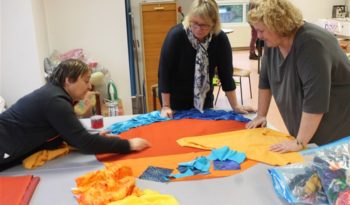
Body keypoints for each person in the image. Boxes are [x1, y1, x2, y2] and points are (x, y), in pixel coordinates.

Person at [0, 59, 150, 171]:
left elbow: (68, 129)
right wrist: (128, 145)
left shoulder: (55, 94)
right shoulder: (55, 101)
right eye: (85, 81)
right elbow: (84, 142)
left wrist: (95, 137)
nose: (89, 86)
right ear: (68, 80)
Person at [246, 0, 350, 153]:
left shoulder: (312, 45)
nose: (259, 36)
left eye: (261, 31)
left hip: (338, 133)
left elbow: (316, 100)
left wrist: (300, 142)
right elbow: (265, 80)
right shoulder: (274, 42)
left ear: (278, 25)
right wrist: (261, 115)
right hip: (309, 129)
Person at [158, 0, 255, 118]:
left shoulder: (220, 39)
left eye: (204, 25)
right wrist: (166, 106)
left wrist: (236, 106)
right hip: (175, 102)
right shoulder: (176, 36)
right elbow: (164, 73)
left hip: (204, 101)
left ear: (213, 24)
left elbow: (226, 75)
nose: (198, 29)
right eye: (195, 23)